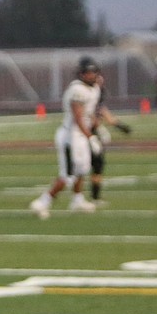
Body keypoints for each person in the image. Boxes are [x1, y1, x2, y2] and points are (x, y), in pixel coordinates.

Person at [30, 56, 101, 218]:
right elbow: (78, 117)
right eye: (88, 73)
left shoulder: (95, 88)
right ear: (81, 74)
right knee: (68, 175)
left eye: (93, 72)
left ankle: (77, 199)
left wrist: (97, 128)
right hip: (71, 137)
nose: (91, 75)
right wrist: (91, 137)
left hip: (82, 135)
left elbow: (90, 113)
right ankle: (42, 202)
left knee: (83, 169)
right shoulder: (77, 89)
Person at [88, 72, 132, 205]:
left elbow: (102, 111)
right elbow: (92, 115)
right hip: (84, 133)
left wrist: (119, 126)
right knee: (84, 166)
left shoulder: (95, 95)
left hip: (91, 132)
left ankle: (94, 197)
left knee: (97, 164)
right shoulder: (85, 95)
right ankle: (86, 198)